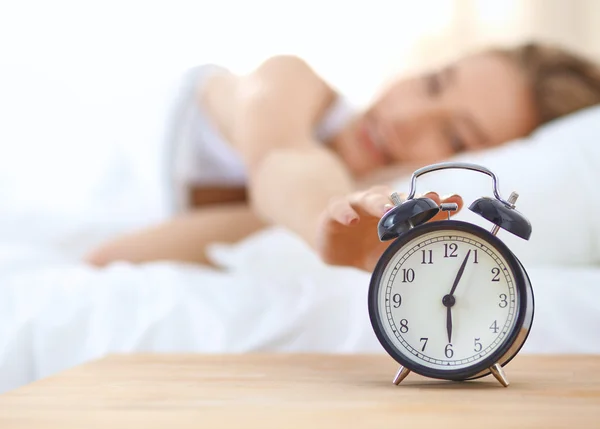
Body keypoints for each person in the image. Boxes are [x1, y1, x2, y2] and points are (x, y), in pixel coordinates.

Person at [85, 41, 600, 272]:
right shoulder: (288, 83)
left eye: (456, 140)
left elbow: (113, 259)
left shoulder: (359, 202)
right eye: (431, 83)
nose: (404, 118)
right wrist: (323, 217)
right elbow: (285, 161)